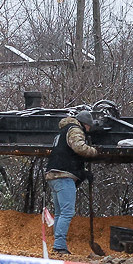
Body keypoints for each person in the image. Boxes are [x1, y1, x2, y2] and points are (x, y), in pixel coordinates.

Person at [45, 105, 104, 254]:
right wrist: (95, 152)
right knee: (67, 212)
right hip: (64, 175)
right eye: (89, 127)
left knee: (59, 213)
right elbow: (79, 148)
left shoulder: (61, 132)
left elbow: (67, 155)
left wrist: (82, 173)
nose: (88, 130)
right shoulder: (75, 130)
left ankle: (57, 245)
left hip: (54, 174)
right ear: (85, 124)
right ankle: (59, 246)